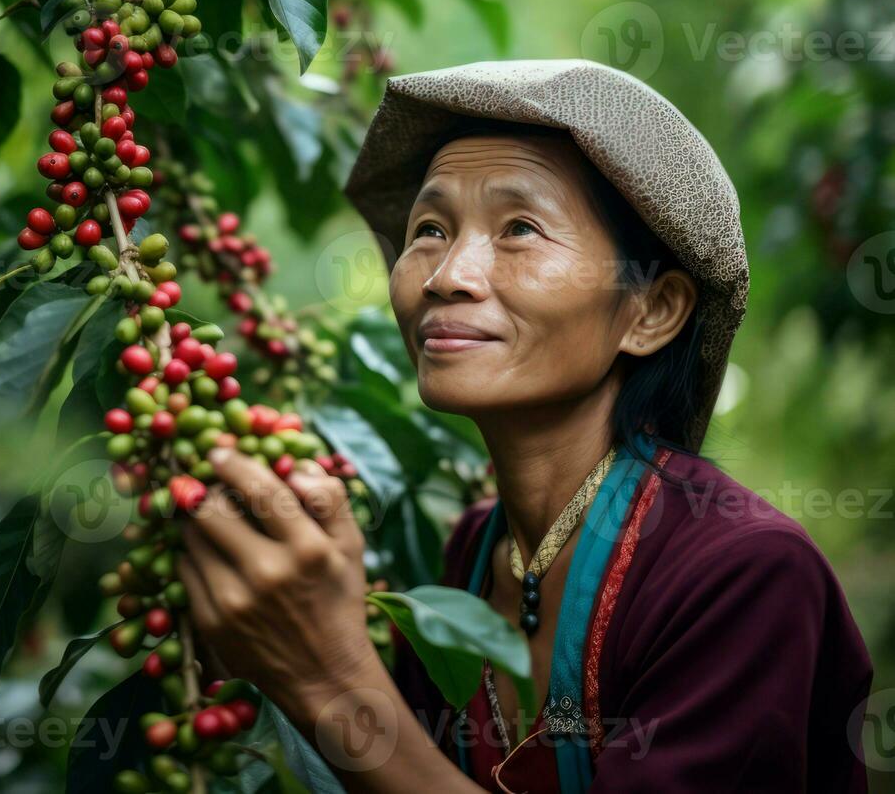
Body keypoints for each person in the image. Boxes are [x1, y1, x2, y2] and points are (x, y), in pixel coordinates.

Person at [176, 60, 874, 792]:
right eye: (429, 228)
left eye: (520, 228)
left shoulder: (745, 575)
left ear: (652, 311)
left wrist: (333, 678)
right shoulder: (475, 554)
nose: (448, 273)